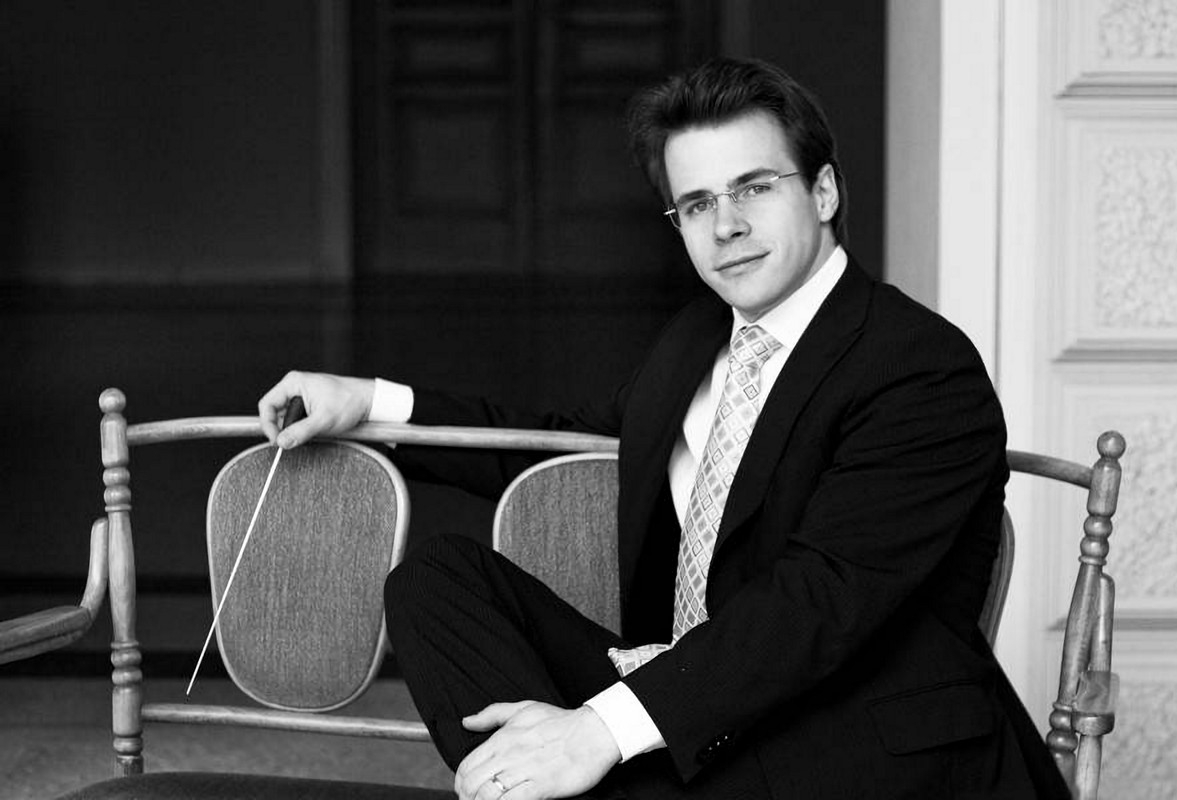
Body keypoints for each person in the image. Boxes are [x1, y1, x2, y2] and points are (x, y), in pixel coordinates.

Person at [259, 58, 1069, 800]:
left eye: (755, 188)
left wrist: (597, 731)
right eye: (698, 203)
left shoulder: (916, 365)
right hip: (692, 711)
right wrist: (368, 401)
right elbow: (558, 442)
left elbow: (819, 603)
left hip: (851, 737)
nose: (727, 226)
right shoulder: (695, 341)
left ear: (823, 192)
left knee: (610, 745)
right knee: (437, 583)